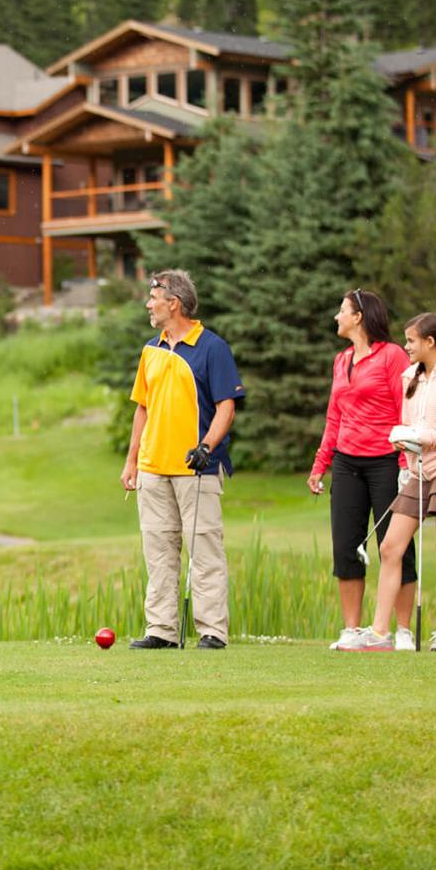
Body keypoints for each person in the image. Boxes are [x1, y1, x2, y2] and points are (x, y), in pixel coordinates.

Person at [119, 270, 247, 649]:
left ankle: (212, 632)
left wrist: (206, 446)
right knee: (159, 554)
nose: (148, 304)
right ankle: (161, 630)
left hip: (197, 468)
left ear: (173, 303)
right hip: (153, 469)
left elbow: (227, 407)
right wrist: (131, 462)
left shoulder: (212, 347)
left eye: (153, 297)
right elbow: (142, 409)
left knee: (205, 551)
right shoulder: (151, 349)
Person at [341, 313, 436, 653]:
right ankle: (379, 633)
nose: (406, 346)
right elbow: (408, 423)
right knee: (390, 547)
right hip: (418, 473)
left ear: (431, 342)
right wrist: (403, 441)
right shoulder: (410, 376)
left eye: (411, 341)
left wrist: (425, 437)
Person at [307, 289, 418, 651]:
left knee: (395, 544)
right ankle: (352, 630)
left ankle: (402, 630)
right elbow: (334, 416)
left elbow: (407, 409)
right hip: (346, 463)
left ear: (359, 317)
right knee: (347, 546)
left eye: (342, 311)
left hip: (387, 460)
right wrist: (320, 463)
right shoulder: (341, 361)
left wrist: (406, 464)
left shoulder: (392, 356)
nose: (336, 317)